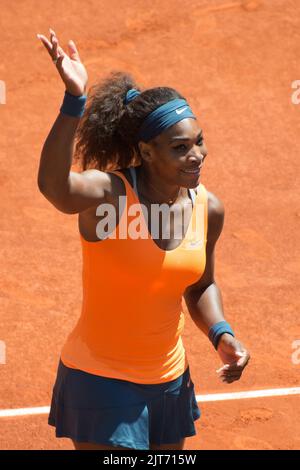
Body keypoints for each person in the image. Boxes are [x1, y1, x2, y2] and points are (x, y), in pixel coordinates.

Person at [37, 29, 250, 451]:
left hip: (169, 380)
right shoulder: (110, 196)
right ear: (147, 151)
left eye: (199, 141)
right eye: (180, 147)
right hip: (100, 379)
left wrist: (221, 332)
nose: (197, 155)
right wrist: (73, 101)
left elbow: (201, 283)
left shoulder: (208, 208)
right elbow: (54, 188)